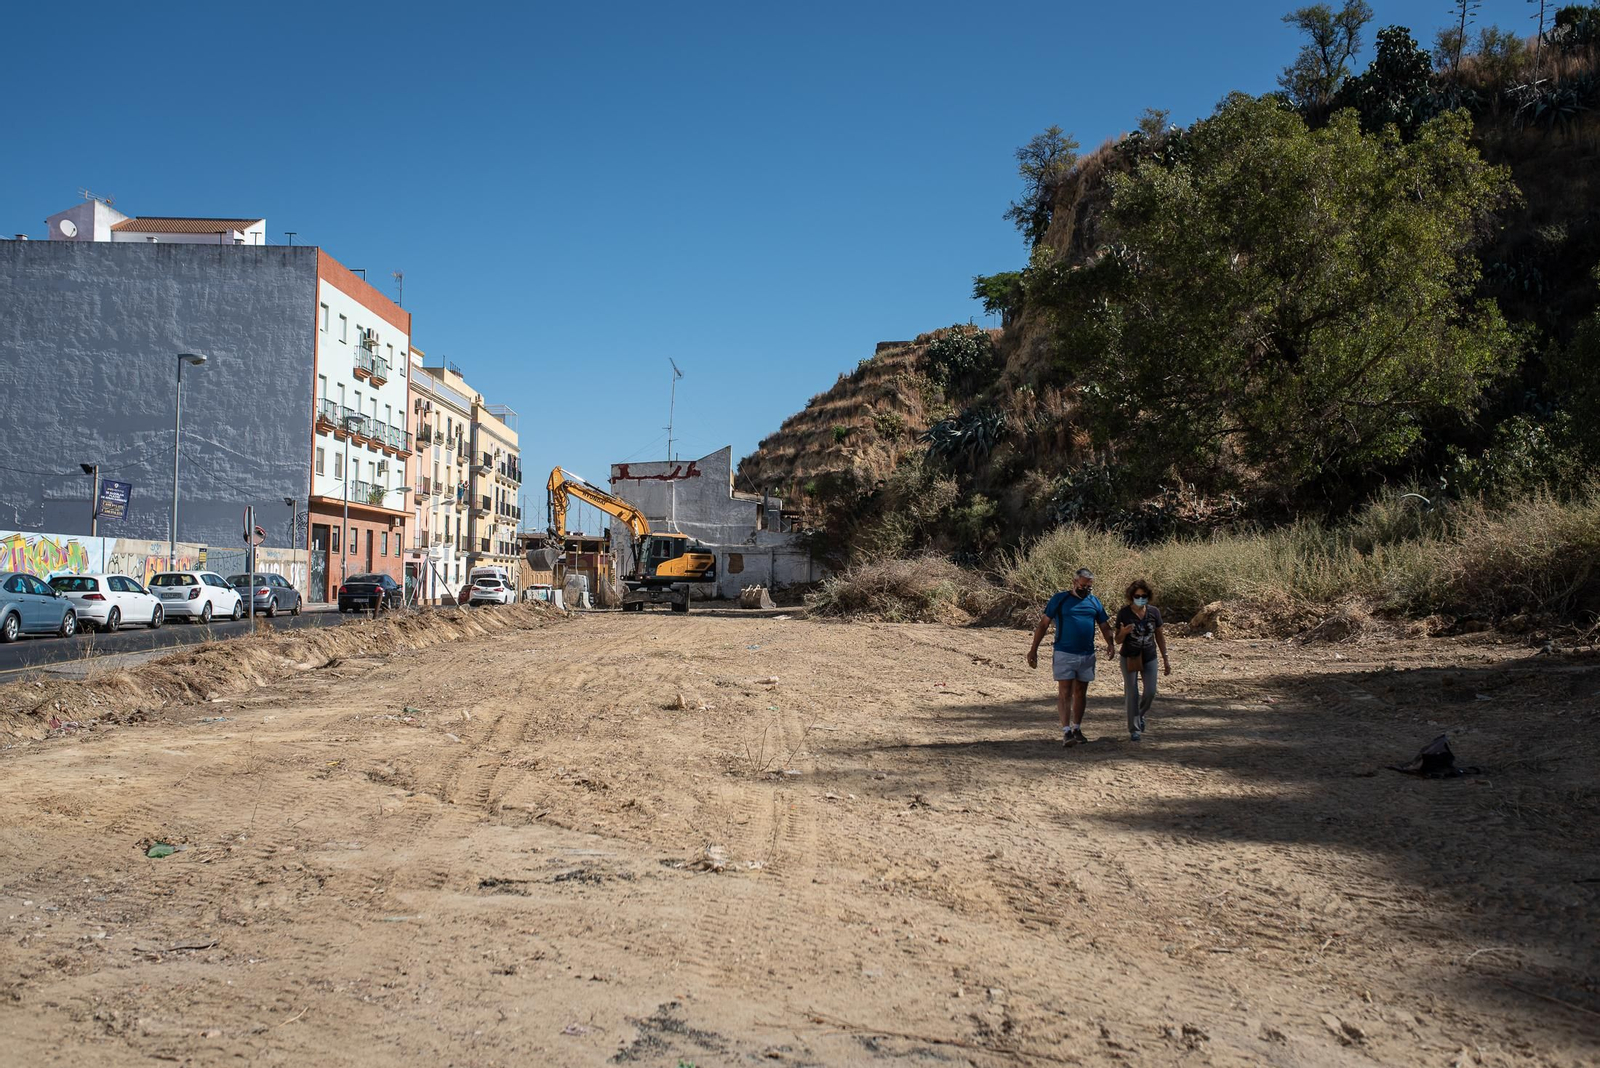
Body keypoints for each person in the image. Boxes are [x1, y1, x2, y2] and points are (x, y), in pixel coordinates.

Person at [1026, 567, 1116, 747]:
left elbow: (1104, 625)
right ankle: (1066, 731)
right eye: (1083, 586)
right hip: (1064, 652)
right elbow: (1043, 624)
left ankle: (1077, 728)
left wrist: (1110, 643)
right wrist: (1033, 649)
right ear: (1074, 582)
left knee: (1081, 692)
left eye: (1089, 587)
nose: (1086, 590)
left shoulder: (1094, 602)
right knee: (1065, 691)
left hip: (1087, 654)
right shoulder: (1060, 599)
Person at [1115, 579, 1171, 741]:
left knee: (1150, 692)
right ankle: (1134, 729)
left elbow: (1159, 636)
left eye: (1143, 595)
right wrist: (1124, 632)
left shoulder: (1154, 612)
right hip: (1129, 657)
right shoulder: (1124, 613)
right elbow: (1118, 640)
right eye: (1137, 595)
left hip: (1149, 656)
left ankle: (1140, 715)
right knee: (1132, 692)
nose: (1140, 598)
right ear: (1131, 596)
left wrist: (1165, 658)